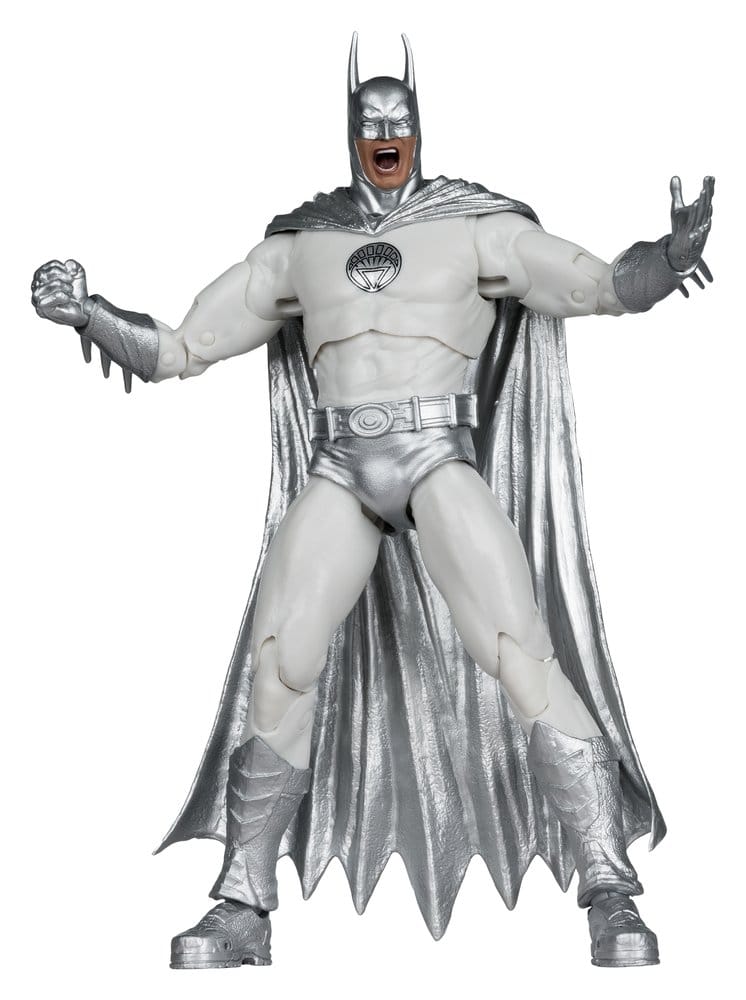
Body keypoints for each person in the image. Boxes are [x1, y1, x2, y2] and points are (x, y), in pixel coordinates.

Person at [31, 33, 714, 969]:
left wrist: (668, 256)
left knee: (521, 652)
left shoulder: (475, 228)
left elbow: (596, 285)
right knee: (280, 663)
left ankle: (609, 885)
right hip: (342, 464)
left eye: (399, 117)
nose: (386, 131)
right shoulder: (301, 246)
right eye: (370, 118)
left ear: (419, 129)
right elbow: (181, 347)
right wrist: (88, 312)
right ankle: (243, 900)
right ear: (351, 131)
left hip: (437, 456)